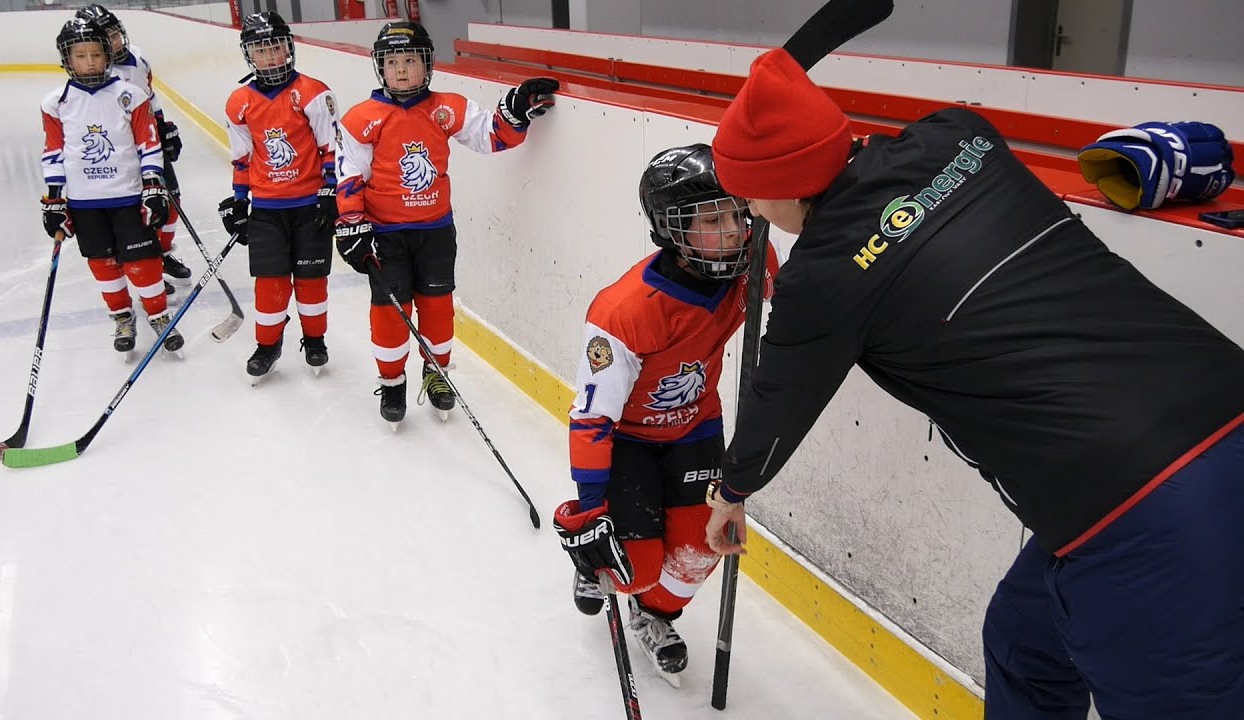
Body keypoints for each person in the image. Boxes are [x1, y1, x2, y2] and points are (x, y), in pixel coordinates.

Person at [705, 47, 1244, 719]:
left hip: (1141, 518)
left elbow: (775, 405)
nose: (750, 212)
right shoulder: (958, 135)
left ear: (783, 182)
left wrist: (731, 493)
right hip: (1219, 408)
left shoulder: (822, 279)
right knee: (1026, 644)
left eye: (749, 194)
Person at [551, 144, 777, 682]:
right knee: (637, 567)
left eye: (735, 214)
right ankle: (587, 553)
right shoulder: (624, 311)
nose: (730, 232)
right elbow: (591, 419)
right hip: (629, 441)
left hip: (697, 426)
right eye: (710, 220)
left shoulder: (753, 256)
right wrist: (589, 510)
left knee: (709, 544)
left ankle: (653, 616)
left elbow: (799, 296)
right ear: (671, 232)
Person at [332, 20, 559, 427]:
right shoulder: (361, 118)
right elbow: (349, 175)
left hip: (435, 231)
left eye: (411, 61)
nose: (402, 70)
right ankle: (392, 380)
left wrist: (517, 108)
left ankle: (436, 372)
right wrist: (351, 220)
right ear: (379, 67)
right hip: (385, 235)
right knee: (390, 312)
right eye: (393, 61)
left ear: (428, 65)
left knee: (437, 309)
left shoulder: (446, 107)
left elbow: (491, 135)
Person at [41, 18, 183, 356]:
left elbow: (149, 146)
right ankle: (122, 316)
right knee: (102, 262)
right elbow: (54, 152)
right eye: (80, 55)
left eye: (95, 54)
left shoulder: (130, 96)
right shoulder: (56, 103)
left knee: (144, 259)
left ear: (108, 54)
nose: (89, 62)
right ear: (67, 59)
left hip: (127, 195)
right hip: (85, 201)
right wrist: (54, 200)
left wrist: (152, 186)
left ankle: (159, 316)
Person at [218, 12, 339, 384]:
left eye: (275, 48)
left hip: (309, 207)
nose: (270, 57)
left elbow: (331, 148)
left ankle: (315, 339)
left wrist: (330, 190)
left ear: (289, 48)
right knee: (269, 284)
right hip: (267, 209)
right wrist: (239, 201)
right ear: (248, 55)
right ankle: (268, 345)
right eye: (261, 50)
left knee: (311, 281)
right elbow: (243, 157)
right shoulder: (239, 102)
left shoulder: (314, 92)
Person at [75, 3, 191, 294]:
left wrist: (163, 126)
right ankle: (146, 261)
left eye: (116, 34)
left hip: (148, 143)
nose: (115, 42)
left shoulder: (138, 57)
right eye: (107, 37)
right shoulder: (93, 74)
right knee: (138, 214)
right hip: (120, 155)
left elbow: (149, 96)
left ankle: (161, 255)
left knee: (170, 201)